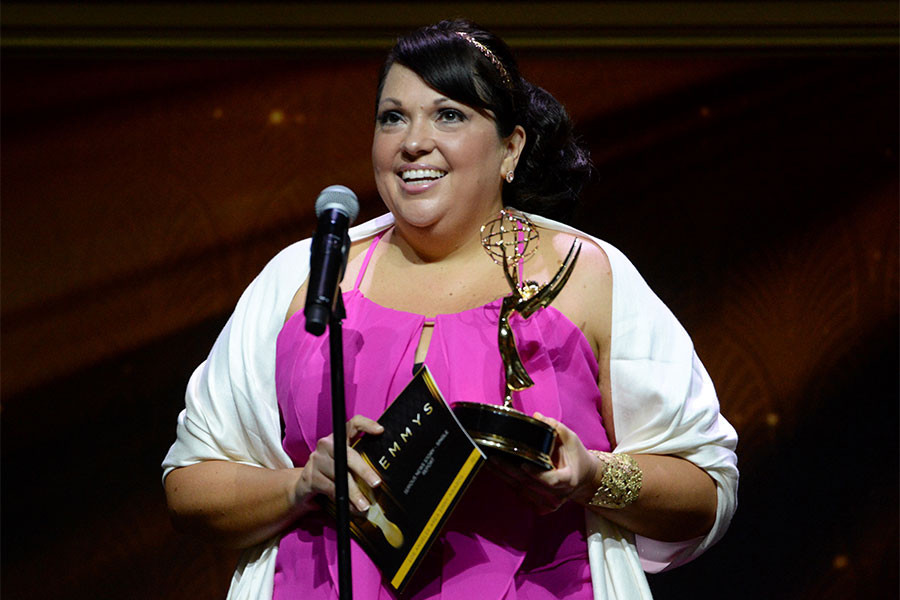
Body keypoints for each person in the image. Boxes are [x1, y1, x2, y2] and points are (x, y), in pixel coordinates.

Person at [162, 19, 738, 600]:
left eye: (449, 115)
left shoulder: (586, 276)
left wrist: (591, 476)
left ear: (511, 148)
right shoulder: (305, 276)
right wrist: (300, 486)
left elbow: (703, 491)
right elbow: (190, 488)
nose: (412, 142)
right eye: (393, 117)